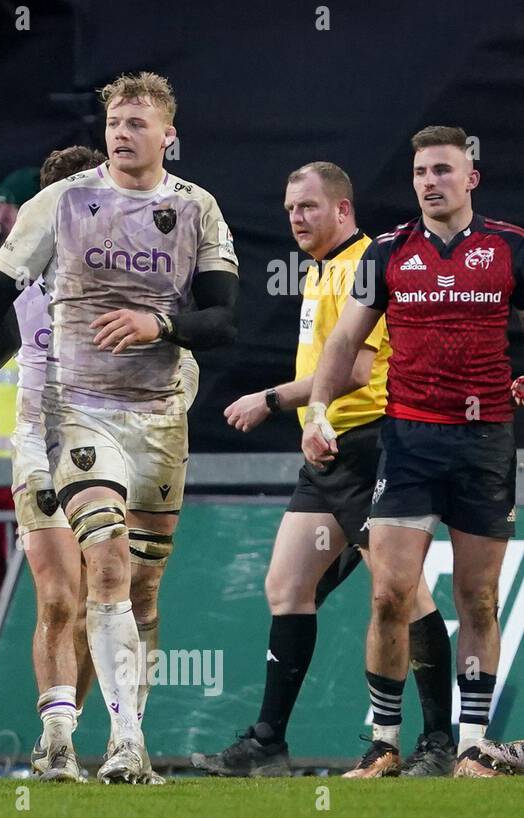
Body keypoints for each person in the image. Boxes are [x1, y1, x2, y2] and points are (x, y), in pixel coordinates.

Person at [0, 72, 239, 784]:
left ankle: (108, 736)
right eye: (115, 121)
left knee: (141, 587)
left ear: (168, 134)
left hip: (160, 422)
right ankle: (115, 742)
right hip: (75, 413)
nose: (122, 133)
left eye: (138, 123)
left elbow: (223, 321)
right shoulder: (62, 201)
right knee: (95, 567)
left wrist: (160, 323)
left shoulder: (197, 208)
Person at [192, 162, 454, 778]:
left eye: (309, 207)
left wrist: (272, 399)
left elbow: (359, 371)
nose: (296, 218)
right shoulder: (321, 270)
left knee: (403, 592)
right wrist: (309, 418)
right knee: (287, 585)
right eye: (289, 209)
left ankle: (438, 744)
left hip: (373, 447)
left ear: (343, 209)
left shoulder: (368, 265)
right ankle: (268, 742)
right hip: (329, 449)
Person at [303, 125, 524, 778]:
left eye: (443, 170)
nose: (430, 182)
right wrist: (317, 409)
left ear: (470, 179)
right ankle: (383, 744)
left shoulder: (509, 247)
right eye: (421, 172)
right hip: (408, 443)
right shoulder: (390, 251)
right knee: (389, 594)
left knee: (477, 600)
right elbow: (344, 341)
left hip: (485, 444)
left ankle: (474, 745)